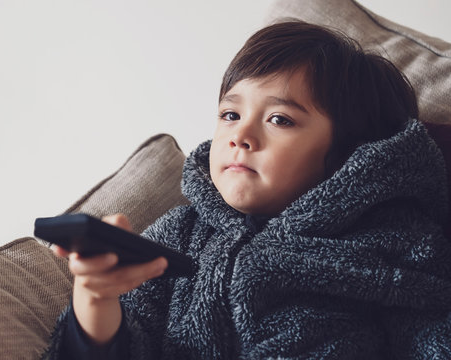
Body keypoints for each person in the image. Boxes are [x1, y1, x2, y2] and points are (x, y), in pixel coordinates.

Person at [42, 21, 451, 359]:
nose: (241, 134)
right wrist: (95, 301)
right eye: (231, 114)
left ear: (350, 153)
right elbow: (127, 340)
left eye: (280, 119)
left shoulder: (394, 242)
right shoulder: (182, 233)